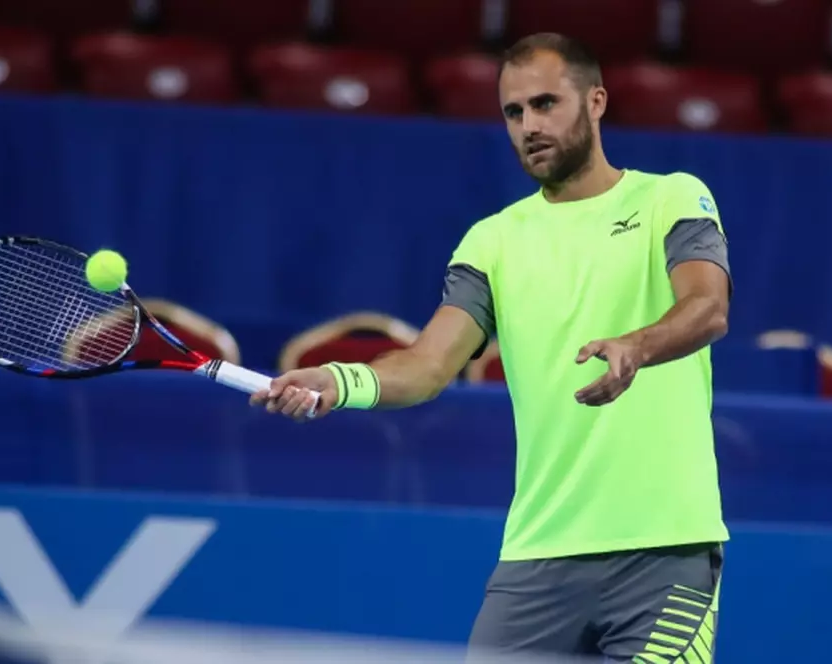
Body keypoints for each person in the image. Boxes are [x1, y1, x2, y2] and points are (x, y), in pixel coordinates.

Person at [251, 32, 731, 663]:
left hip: (665, 552)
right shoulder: (493, 240)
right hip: (537, 556)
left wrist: (637, 346)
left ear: (595, 101)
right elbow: (428, 366)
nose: (529, 126)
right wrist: (340, 381)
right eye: (513, 112)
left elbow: (708, 307)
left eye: (545, 104)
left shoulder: (670, 196)